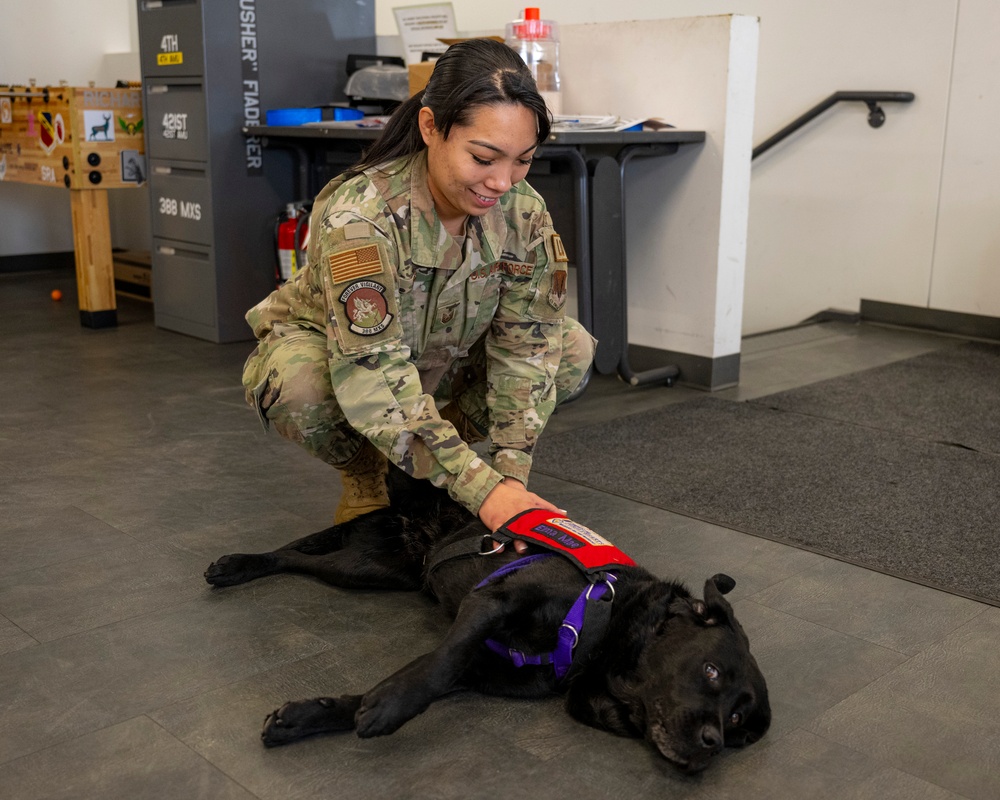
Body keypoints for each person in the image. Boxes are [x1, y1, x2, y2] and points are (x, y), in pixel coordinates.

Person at [241, 38, 595, 535]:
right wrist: (482, 491)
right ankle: (367, 472)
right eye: (484, 157)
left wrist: (510, 478)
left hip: (442, 360)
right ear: (431, 127)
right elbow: (373, 371)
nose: (502, 182)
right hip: (351, 363)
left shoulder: (524, 213)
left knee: (570, 346)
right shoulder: (361, 217)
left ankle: (428, 454)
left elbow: (526, 349)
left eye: (523, 160)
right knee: (301, 388)